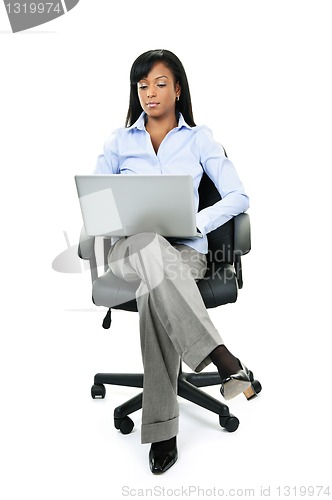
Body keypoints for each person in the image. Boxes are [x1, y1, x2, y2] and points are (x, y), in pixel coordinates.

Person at [95, 49, 252, 474]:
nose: (149, 93)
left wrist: (198, 222)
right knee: (146, 245)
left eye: (160, 84)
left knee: (156, 286)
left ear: (178, 88)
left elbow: (238, 195)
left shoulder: (200, 138)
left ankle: (163, 432)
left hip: (186, 251)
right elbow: (96, 204)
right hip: (129, 250)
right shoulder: (117, 141)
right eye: (142, 85)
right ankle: (224, 360)